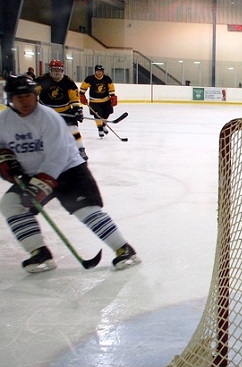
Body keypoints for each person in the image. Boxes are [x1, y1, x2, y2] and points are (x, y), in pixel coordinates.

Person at [0, 75, 140, 273]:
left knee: (85, 210)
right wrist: (6, 162)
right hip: (32, 175)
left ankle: (124, 250)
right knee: (11, 204)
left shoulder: (48, 117)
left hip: (69, 172)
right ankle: (39, 253)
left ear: (35, 95)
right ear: (10, 99)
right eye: (18, 97)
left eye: (28, 96)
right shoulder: (4, 121)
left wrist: (39, 185)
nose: (24, 101)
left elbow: (57, 156)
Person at [35, 60, 88, 161]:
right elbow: (31, 93)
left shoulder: (68, 81)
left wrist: (77, 110)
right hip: (47, 112)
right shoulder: (42, 80)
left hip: (65, 111)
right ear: (50, 70)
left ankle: (80, 149)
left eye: (59, 70)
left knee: (74, 130)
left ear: (62, 70)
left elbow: (74, 98)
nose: (57, 72)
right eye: (54, 69)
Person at [79, 65, 117, 138]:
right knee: (97, 115)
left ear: (103, 72)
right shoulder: (90, 79)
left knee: (107, 113)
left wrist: (113, 96)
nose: (99, 73)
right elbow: (83, 87)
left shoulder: (107, 78)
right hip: (94, 101)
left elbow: (111, 87)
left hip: (106, 100)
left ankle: (103, 125)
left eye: (100, 71)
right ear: (95, 71)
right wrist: (82, 95)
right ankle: (100, 129)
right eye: (97, 71)